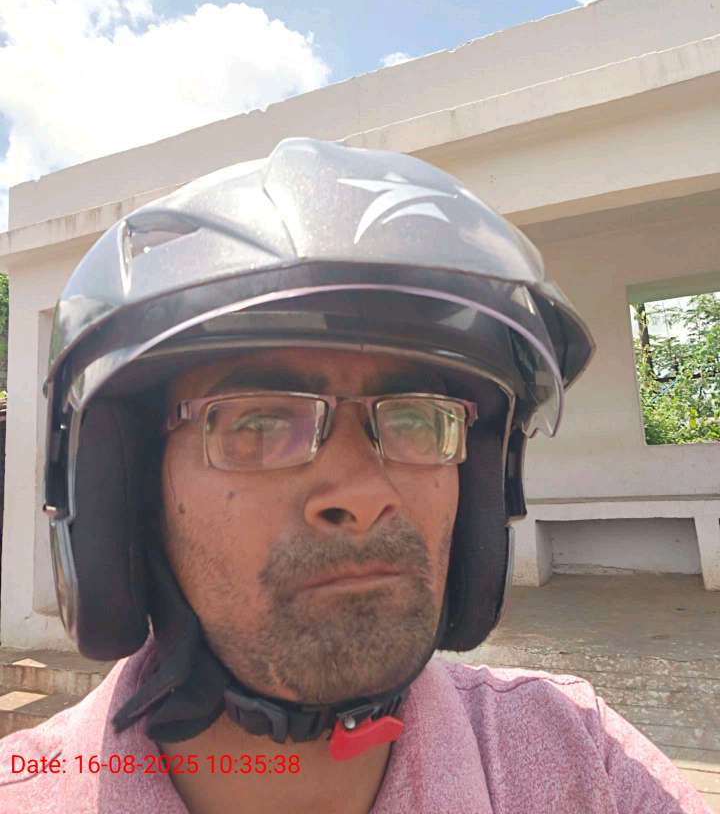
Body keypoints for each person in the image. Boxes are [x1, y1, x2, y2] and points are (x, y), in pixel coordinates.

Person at [0, 138, 710, 813]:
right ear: (131, 494)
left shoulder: (581, 761)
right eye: (258, 423)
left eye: (416, 419)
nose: (364, 495)